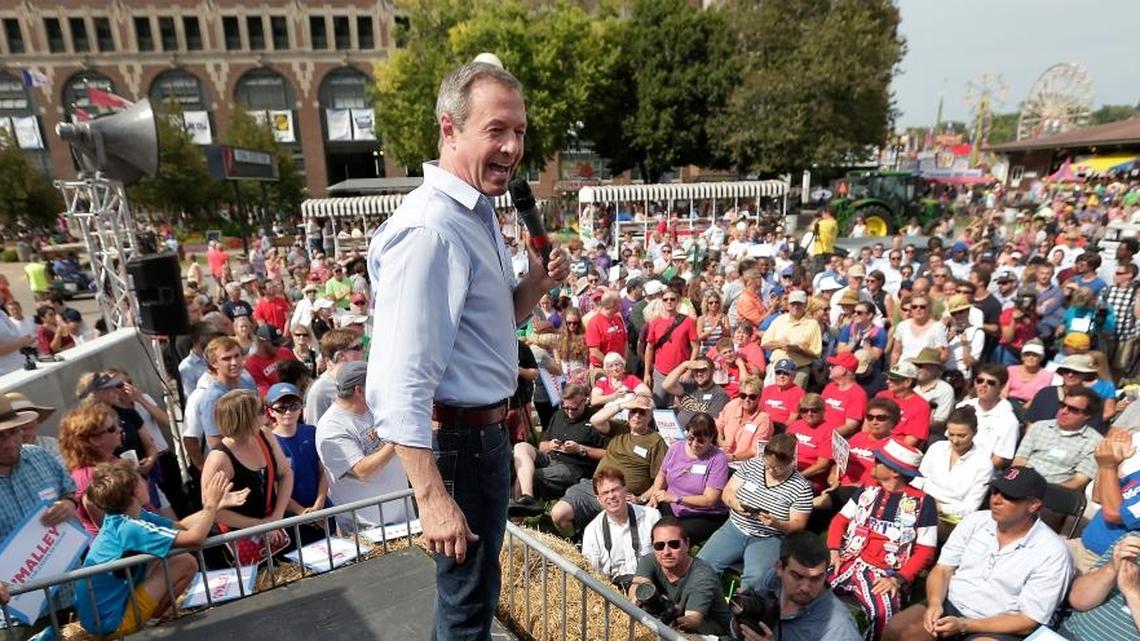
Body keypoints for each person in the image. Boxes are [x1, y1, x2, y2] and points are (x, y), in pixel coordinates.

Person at [366, 59, 570, 630]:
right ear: (449, 128)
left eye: (520, 132)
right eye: (496, 130)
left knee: (471, 599)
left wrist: (534, 282)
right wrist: (431, 497)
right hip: (456, 443)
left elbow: (491, 326)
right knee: (467, 608)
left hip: (480, 436)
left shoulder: (473, 212)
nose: (512, 147)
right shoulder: (432, 231)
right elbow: (397, 382)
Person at [881, 466, 1073, 641]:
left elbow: (1028, 620)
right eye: (995, 491)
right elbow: (943, 569)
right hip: (950, 605)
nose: (996, 500)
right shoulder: (975, 521)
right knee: (897, 630)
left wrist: (965, 625)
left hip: (997, 626)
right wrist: (935, 603)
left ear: (1033, 505)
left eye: (1009, 496)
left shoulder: (1053, 553)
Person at [75, 460, 247, 638]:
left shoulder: (126, 517)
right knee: (186, 563)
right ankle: (150, 623)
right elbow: (195, 539)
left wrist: (215, 506)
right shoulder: (130, 527)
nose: (146, 481)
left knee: (178, 560)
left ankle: (150, 619)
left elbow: (180, 527)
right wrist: (210, 504)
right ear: (136, 491)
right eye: (141, 478)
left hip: (103, 617)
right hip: (112, 624)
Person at [828, 438, 939, 641]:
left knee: (882, 614)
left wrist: (898, 579)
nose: (873, 463)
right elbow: (839, 521)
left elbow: (926, 551)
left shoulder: (924, 502)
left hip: (885, 574)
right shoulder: (868, 488)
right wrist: (834, 550)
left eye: (879, 461)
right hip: (847, 561)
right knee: (808, 586)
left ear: (895, 471)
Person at [697, 434, 813, 593]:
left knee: (757, 579)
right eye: (767, 465)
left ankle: (744, 610)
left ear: (791, 461)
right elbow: (728, 491)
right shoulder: (752, 465)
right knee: (703, 564)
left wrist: (777, 523)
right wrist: (735, 503)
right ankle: (703, 602)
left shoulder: (801, 487)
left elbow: (798, 524)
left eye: (777, 467)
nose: (770, 470)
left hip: (769, 537)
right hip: (735, 527)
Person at [549, 393, 666, 534]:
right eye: (633, 411)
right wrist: (622, 405)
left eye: (642, 412)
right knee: (558, 513)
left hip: (622, 496)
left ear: (650, 416)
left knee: (614, 533)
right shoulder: (620, 429)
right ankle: (574, 545)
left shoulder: (655, 441)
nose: (636, 415)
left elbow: (661, 478)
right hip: (594, 487)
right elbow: (595, 420)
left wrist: (641, 498)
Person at [318, 361, 411, 532]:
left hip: (402, 518)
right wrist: (396, 439)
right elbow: (362, 471)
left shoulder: (375, 409)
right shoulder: (331, 426)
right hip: (369, 531)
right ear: (359, 390)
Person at [199, 389, 293, 554]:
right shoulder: (219, 459)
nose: (266, 412)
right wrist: (257, 525)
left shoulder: (264, 434)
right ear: (245, 419)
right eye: (260, 410)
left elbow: (285, 474)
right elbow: (212, 510)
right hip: (237, 542)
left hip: (273, 531)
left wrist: (276, 518)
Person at [741, 531, 862, 641]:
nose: (805, 587)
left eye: (816, 578)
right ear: (779, 568)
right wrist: (740, 625)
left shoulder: (839, 628)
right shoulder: (772, 581)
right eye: (797, 576)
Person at [507, 384, 604, 517]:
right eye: (566, 407)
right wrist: (551, 445)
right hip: (551, 458)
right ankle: (527, 498)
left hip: (573, 467)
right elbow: (542, 445)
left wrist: (580, 449)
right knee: (521, 447)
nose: (569, 412)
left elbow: (607, 453)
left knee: (526, 475)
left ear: (584, 401)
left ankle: (517, 519)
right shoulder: (558, 415)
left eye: (574, 409)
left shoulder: (595, 420)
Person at [628, 516, 733, 636]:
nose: (666, 552)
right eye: (659, 546)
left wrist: (669, 621)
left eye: (674, 544)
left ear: (687, 544)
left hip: (713, 635)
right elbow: (637, 587)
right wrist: (641, 604)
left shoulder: (703, 576)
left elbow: (693, 620)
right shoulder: (649, 560)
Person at [644, 413, 730, 545]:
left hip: (702, 514)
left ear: (711, 438)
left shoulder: (718, 459)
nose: (694, 444)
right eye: (691, 438)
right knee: (644, 523)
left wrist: (677, 498)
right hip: (672, 506)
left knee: (673, 538)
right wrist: (655, 495)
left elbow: (709, 500)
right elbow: (662, 474)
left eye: (701, 441)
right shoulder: (676, 448)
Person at [266, 383, 329, 545]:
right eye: (281, 408)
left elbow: (323, 471)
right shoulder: (270, 443)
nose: (288, 412)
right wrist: (302, 512)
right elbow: (275, 487)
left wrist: (319, 505)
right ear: (271, 411)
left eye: (294, 406)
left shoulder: (310, 432)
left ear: (301, 408)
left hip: (321, 510)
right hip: (291, 517)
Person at [581, 468, 661, 586]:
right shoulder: (592, 531)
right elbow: (591, 574)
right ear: (599, 499)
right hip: (613, 592)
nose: (611, 496)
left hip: (653, 585)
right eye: (605, 493)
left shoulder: (652, 517)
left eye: (615, 490)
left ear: (625, 490)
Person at [917, 406, 994, 528]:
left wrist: (939, 507)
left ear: (975, 432)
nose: (955, 440)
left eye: (962, 435)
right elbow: (919, 479)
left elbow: (971, 507)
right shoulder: (937, 448)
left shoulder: (983, 463)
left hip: (951, 519)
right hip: (922, 505)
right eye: (951, 434)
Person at [1013, 387, 1103, 490]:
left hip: (1056, 493)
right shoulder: (1038, 427)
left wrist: (1042, 491)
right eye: (1063, 405)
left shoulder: (1095, 442)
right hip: (1021, 485)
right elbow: (1019, 460)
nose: (1064, 411)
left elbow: (1079, 481)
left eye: (1073, 409)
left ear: (1087, 415)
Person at [1060, 533, 1140, 640]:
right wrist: (1111, 568)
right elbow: (1078, 600)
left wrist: (1132, 592)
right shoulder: (1132, 542)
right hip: (1071, 633)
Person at [957, 363, 1021, 468]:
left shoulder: (1009, 420)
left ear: (1001, 387)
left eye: (991, 382)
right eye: (980, 380)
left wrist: (972, 470)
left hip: (982, 473)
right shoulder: (962, 406)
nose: (983, 385)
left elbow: (1000, 459)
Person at [645, 286, 699, 406]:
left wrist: (690, 370)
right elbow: (649, 348)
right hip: (661, 373)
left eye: (672, 299)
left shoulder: (688, 321)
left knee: (685, 407)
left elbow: (695, 346)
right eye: (666, 299)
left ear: (677, 301)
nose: (669, 302)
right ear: (662, 302)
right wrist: (647, 373)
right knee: (658, 407)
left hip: (682, 373)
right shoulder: (655, 322)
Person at [760, 290, 822, 387]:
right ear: (788, 305)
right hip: (777, 367)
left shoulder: (812, 324)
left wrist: (798, 349)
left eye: (799, 304)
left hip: (798, 369)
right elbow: (764, 343)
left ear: (805, 305)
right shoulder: (779, 320)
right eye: (793, 303)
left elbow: (816, 353)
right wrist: (780, 344)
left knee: (793, 400)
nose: (796, 306)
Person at [303, 328, 364, 426]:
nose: (363, 350)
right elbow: (314, 429)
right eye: (357, 348)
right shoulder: (319, 390)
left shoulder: (361, 378)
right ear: (340, 356)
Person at [785, 393, 835, 495]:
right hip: (788, 470)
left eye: (814, 410)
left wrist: (795, 477)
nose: (809, 414)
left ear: (823, 411)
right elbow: (782, 450)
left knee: (788, 488)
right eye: (804, 410)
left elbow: (822, 466)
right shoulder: (794, 426)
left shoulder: (829, 431)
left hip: (811, 478)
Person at [659, 357, 730, 428]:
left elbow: (710, 424)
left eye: (703, 370)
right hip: (676, 431)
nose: (699, 373)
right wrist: (684, 365)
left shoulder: (719, 394)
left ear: (712, 370)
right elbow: (666, 385)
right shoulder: (689, 385)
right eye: (696, 370)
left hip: (695, 435)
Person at [716, 376, 773, 464]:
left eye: (752, 397)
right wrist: (721, 441)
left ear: (759, 397)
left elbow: (755, 451)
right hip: (723, 456)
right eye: (743, 396)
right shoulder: (732, 405)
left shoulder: (764, 419)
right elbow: (717, 426)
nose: (747, 400)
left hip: (745, 463)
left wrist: (733, 457)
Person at [875, 362, 931, 447]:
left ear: (907, 382)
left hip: (895, 451)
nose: (887, 381)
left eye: (893, 379)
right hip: (873, 443)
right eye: (888, 378)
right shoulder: (882, 396)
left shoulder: (921, 406)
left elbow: (911, 440)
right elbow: (868, 424)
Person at [820, 352, 868, 437]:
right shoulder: (830, 387)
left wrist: (826, 435)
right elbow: (818, 408)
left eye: (833, 366)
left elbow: (850, 426)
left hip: (835, 438)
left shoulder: (858, 394)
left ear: (843, 370)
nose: (829, 368)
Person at [1002, 339, 1053, 406]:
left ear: (1041, 358)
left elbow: (1039, 397)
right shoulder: (1011, 370)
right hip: (1008, 403)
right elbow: (1004, 392)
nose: (1030, 358)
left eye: (1035, 355)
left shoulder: (1047, 375)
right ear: (1023, 357)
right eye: (1027, 355)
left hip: (1030, 407)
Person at [585, 293, 627, 371]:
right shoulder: (594, 323)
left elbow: (625, 341)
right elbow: (594, 351)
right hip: (602, 368)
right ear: (611, 305)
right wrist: (612, 365)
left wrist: (623, 361)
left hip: (619, 367)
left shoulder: (618, 318)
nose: (621, 304)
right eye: (619, 302)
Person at [759, 358, 805, 428]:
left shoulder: (798, 393)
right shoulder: (768, 389)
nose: (781, 376)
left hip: (781, 428)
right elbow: (760, 411)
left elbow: (792, 420)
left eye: (786, 373)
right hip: (763, 425)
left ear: (794, 375)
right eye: (778, 373)